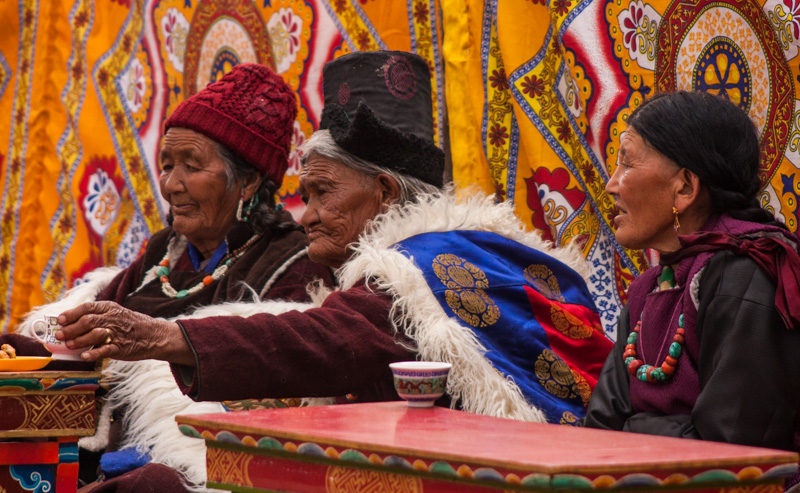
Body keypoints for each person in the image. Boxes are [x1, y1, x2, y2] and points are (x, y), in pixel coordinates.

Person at [55, 51, 613, 491]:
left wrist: (164, 337)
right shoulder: (455, 250)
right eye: (306, 196)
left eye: (323, 193)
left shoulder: (422, 266)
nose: (308, 216)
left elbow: (330, 338)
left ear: (385, 192)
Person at [10, 63, 334, 491]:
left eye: (191, 167)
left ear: (249, 181)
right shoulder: (166, 251)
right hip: (101, 455)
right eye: (166, 166)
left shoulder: (291, 263)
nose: (171, 185)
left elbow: (274, 404)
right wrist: (19, 348)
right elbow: (81, 329)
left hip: (196, 471)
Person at [581, 91, 800, 489]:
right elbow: (597, 435)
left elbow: (731, 455)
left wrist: (633, 429)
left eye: (627, 163)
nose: (611, 185)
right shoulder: (648, 288)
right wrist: (665, 431)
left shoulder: (746, 274)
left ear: (684, 187)